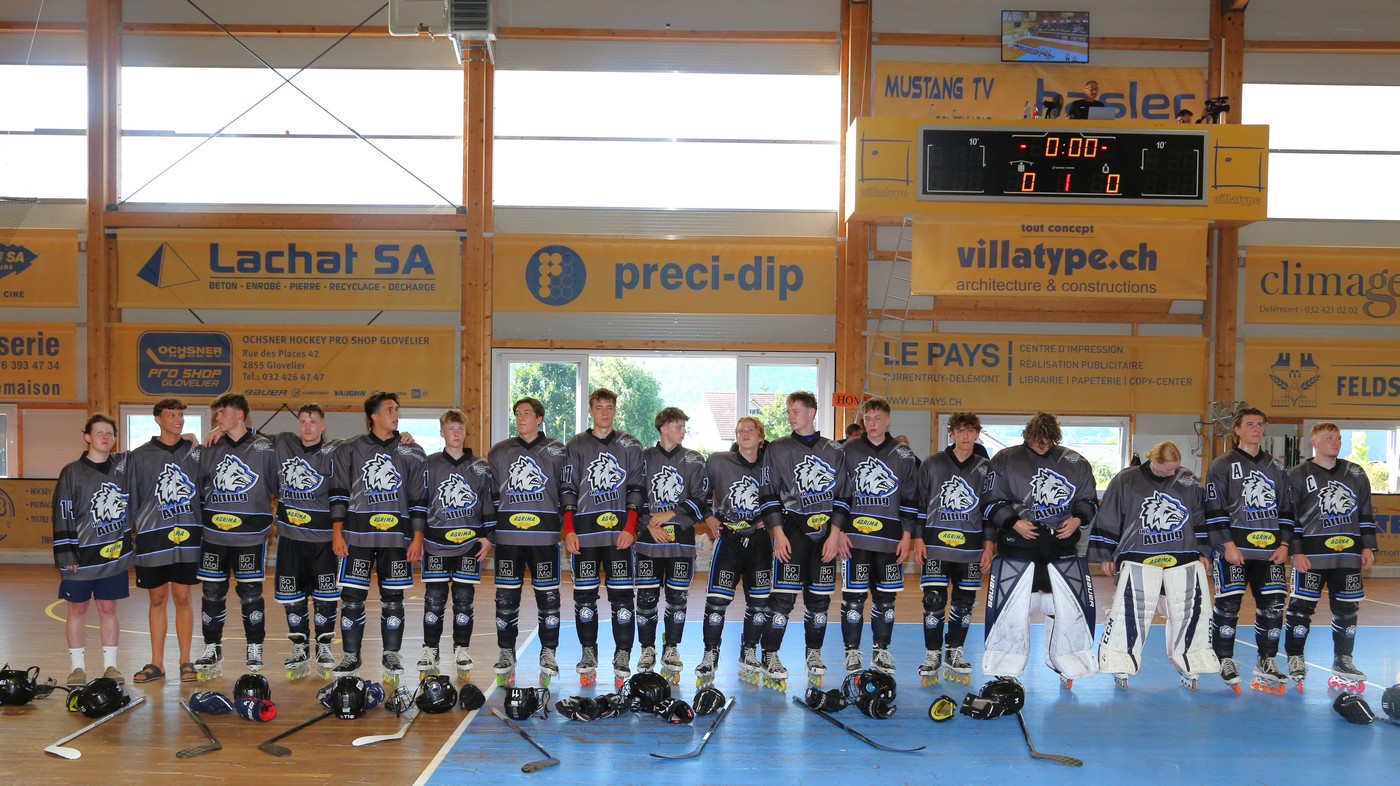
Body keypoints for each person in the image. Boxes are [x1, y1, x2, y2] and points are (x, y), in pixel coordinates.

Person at [1090, 441, 1219, 690]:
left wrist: (1204, 551)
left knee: (1187, 611)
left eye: (1176, 468)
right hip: (1138, 555)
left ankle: (1190, 662)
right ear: (1155, 461)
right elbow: (1109, 516)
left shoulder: (1188, 480)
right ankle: (1121, 663)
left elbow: (1199, 517)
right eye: (1168, 468)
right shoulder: (1126, 480)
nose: (1173, 472)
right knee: (1130, 611)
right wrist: (1105, 554)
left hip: (1182, 556)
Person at [983, 412, 1098, 688]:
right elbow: (989, 501)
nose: (1042, 445)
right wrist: (1013, 522)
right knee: (1013, 605)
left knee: (1066, 605)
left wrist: (1078, 519)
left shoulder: (1075, 461)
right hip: (1018, 545)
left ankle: (1065, 662)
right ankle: (1007, 666)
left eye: (1047, 441)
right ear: (1028, 436)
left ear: (1055, 438)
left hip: (1060, 546)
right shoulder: (1005, 459)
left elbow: (1089, 499)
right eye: (1037, 440)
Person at [329, 391, 428, 684]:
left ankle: (392, 654)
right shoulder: (350, 449)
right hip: (357, 536)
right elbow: (338, 493)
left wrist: (418, 538)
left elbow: (419, 499)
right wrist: (337, 533)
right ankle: (351, 655)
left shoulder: (412, 451)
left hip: (397, 538)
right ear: (373, 417)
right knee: (351, 599)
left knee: (394, 599)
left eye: (396, 410)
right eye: (389, 410)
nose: (395, 415)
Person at [759, 391, 847, 689]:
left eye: (796, 411)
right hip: (791, 531)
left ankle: (814, 653)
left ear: (812, 412)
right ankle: (770, 654)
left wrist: (835, 535)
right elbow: (768, 493)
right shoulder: (777, 448)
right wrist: (778, 532)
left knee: (819, 601)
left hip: (825, 535)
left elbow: (844, 496)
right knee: (783, 599)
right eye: (789, 411)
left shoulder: (834, 450)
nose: (790, 416)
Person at [560, 388, 646, 688]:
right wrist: (569, 529)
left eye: (609, 407)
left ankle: (623, 654)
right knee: (584, 596)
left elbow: (637, 488)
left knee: (622, 596)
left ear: (615, 410)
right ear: (590, 411)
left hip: (619, 535)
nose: (604, 412)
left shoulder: (630, 444)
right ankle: (588, 651)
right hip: (584, 535)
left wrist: (630, 527)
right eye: (599, 407)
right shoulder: (576, 444)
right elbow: (568, 489)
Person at [1282, 422, 1377, 691]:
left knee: (1347, 610)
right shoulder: (1297, 475)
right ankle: (1295, 657)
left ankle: (1343, 660)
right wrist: (1297, 551)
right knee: (1300, 609)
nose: (1335, 442)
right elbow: (1290, 517)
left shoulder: (1355, 472)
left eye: (1338, 438)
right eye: (1328, 437)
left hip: (1347, 555)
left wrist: (1367, 546)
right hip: (1311, 556)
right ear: (1314, 442)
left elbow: (1366, 512)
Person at [1205, 407, 1292, 694]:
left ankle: (1267, 659)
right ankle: (1224, 659)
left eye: (1260, 424)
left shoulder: (1276, 467)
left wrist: (1285, 544)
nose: (1256, 429)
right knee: (1228, 605)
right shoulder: (1222, 464)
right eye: (1250, 424)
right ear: (1237, 430)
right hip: (1234, 550)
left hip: (1270, 552)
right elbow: (1214, 508)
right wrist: (1226, 544)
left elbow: (1287, 510)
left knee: (1274, 606)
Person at [194, 393, 279, 678]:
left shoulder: (265, 447)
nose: (218, 417)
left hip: (250, 536)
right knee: (211, 593)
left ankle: (254, 647)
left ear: (240, 414)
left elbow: (278, 485)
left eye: (223, 412)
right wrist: (192, 436)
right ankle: (211, 647)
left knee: (251, 594)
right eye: (216, 413)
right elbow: (199, 486)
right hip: (214, 535)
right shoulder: (210, 448)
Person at [835, 398, 919, 676]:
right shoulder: (848, 450)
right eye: (868, 419)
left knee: (885, 599)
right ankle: (851, 651)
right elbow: (839, 493)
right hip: (855, 539)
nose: (872, 424)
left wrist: (907, 536)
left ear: (888, 419)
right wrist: (839, 531)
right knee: (854, 598)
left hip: (890, 540)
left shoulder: (903, 454)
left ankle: (881, 650)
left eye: (877, 418)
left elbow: (910, 498)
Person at [487, 397, 568, 687]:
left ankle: (549, 652)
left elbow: (567, 491)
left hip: (544, 538)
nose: (521, 417)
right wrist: (490, 532)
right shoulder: (499, 451)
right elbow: (490, 495)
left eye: (527, 413)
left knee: (548, 598)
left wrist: (564, 526)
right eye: (518, 413)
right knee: (506, 599)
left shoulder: (557, 450)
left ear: (539, 418)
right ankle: (506, 651)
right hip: (509, 538)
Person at [915, 413, 995, 686]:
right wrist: (918, 538)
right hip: (935, 544)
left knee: (964, 603)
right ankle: (932, 653)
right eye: (960, 430)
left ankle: (955, 651)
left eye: (970, 430)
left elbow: (989, 510)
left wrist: (988, 546)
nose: (965, 436)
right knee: (933, 601)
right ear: (951, 434)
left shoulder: (986, 468)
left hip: (971, 548)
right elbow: (920, 503)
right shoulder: (932, 463)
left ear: (978, 434)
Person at [52, 414, 131, 687]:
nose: (105, 437)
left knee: (108, 607)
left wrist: (187, 438)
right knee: (77, 608)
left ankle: (111, 666)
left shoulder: (123, 468)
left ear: (115, 439)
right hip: (80, 555)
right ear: (87, 437)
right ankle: (77, 668)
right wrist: (66, 553)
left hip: (113, 554)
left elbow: (154, 454)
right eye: (99, 433)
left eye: (109, 433)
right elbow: (62, 513)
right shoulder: (72, 471)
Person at [127, 398, 202, 684]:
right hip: (152, 536)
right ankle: (156, 662)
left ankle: (185, 660)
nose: (178, 419)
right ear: (158, 419)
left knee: (183, 597)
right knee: (157, 598)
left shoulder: (195, 452)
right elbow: (131, 498)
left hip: (187, 536)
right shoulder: (139, 456)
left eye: (181, 415)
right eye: (171, 415)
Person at [417, 408, 495, 681]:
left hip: (468, 544)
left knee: (464, 599)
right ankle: (431, 649)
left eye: (460, 428)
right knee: (434, 599)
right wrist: (417, 536)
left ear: (466, 431)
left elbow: (488, 503)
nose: (456, 433)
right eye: (451, 428)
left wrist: (488, 537)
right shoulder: (429, 464)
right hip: (435, 543)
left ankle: (462, 648)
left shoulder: (480, 467)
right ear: (442, 432)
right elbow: (419, 502)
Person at [634, 407, 710, 683]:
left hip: (681, 544)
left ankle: (672, 648)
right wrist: (648, 525)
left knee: (678, 598)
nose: (683, 431)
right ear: (663, 428)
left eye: (684, 426)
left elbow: (702, 499)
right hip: (648, 542)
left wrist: (671, 514)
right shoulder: (642, 458)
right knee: (646, 599)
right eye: (678, 426)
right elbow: (632, 495)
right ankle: (647, 649)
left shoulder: (694, 459)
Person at [696, 417, 771, 686]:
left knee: (759, 604)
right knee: (716, 602)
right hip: (728, 540)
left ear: (760, 437)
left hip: (760, 543)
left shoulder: (770, 465)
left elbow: (787, 496)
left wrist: (772, 518)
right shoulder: (718, 461)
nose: (745, 433)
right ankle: (710, 653)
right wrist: (708, 516)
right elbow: (699, 492)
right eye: (740, 430)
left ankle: (749, 650)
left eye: (751, 430)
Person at [270, 403, 343, 680]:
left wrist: (401, 437)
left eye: (313, 421)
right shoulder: (283, 444)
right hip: (290, 539)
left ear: (323, 425)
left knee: (326, 599)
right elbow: (247, 439)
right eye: (302, 421)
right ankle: (299, 648)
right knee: (293, 599)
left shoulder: (336, 450)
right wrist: (217, 429)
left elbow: (371, 445)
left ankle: (324, 648)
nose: (307, 426)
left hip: (323, 541)